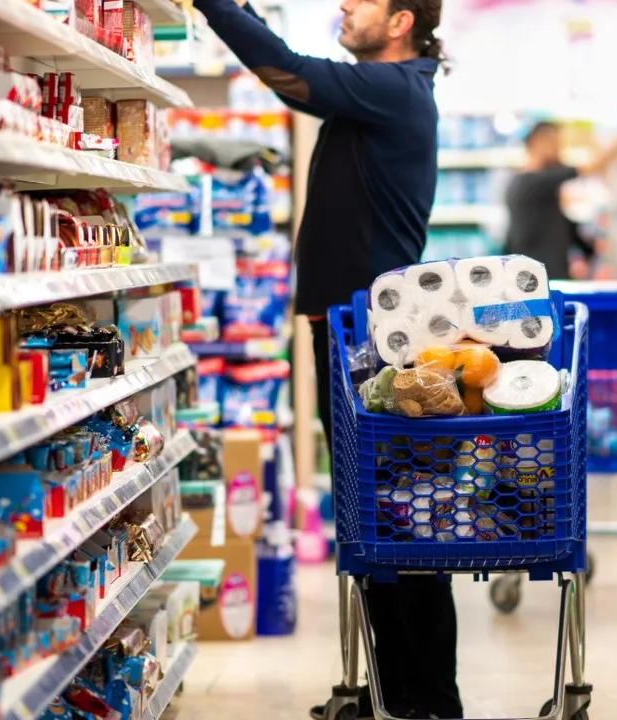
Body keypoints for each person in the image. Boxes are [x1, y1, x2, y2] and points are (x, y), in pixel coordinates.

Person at [193, 0, 460, 718]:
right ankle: (399, 693)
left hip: (374, 342)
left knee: (399, 521)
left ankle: (430, 699)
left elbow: (290, 76)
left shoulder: (397, 88)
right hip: (350, 332)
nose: (345, 3)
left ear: (401, 20)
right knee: (375, 522)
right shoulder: (381, 94)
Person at [504, 113, 617, 280]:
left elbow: (558, 225)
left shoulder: (533, 186)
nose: (559, 150)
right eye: (555, 143)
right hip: (539, 281)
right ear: (538, 143)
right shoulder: (531, 182)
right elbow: (593, 167)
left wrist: (587, 250)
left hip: (541, 278)